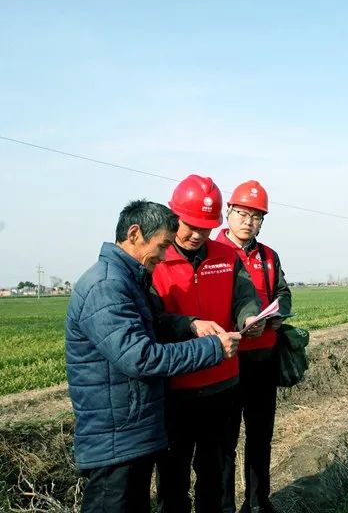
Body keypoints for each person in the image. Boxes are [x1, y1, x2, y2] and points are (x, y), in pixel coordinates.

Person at [65, 200, 241, 513]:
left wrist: (189, 324)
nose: (163, 256)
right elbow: (140, 357)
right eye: (161, 247)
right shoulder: (106, 286)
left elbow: (152, 323)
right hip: (115, 437)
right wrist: (213, 349)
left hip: (131, 431)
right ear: (134, 234)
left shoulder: (127, 279)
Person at [152, 174, 266, 513]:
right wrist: (188, 324)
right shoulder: (155, 260)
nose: (197, 235)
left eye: (206, 228)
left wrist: (249, 317)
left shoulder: (227, 256)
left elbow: (245, 296)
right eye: (190, 226)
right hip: (175, 388)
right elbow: (150, 318)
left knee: (215, 474)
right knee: (173, 477)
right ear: (173, 216)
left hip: (223, 385)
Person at [216, 180, 292, 513]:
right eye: (242, 214)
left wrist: (279, 314)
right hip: (226, 363)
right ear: (228, 213)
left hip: (263, 358)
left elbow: (283, 293)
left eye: (256, 217)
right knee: (224, 442)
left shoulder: (269, 257)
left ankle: (258, 502)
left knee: (260, 435)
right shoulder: (213, 252)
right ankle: (224, 506)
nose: (248, 222)